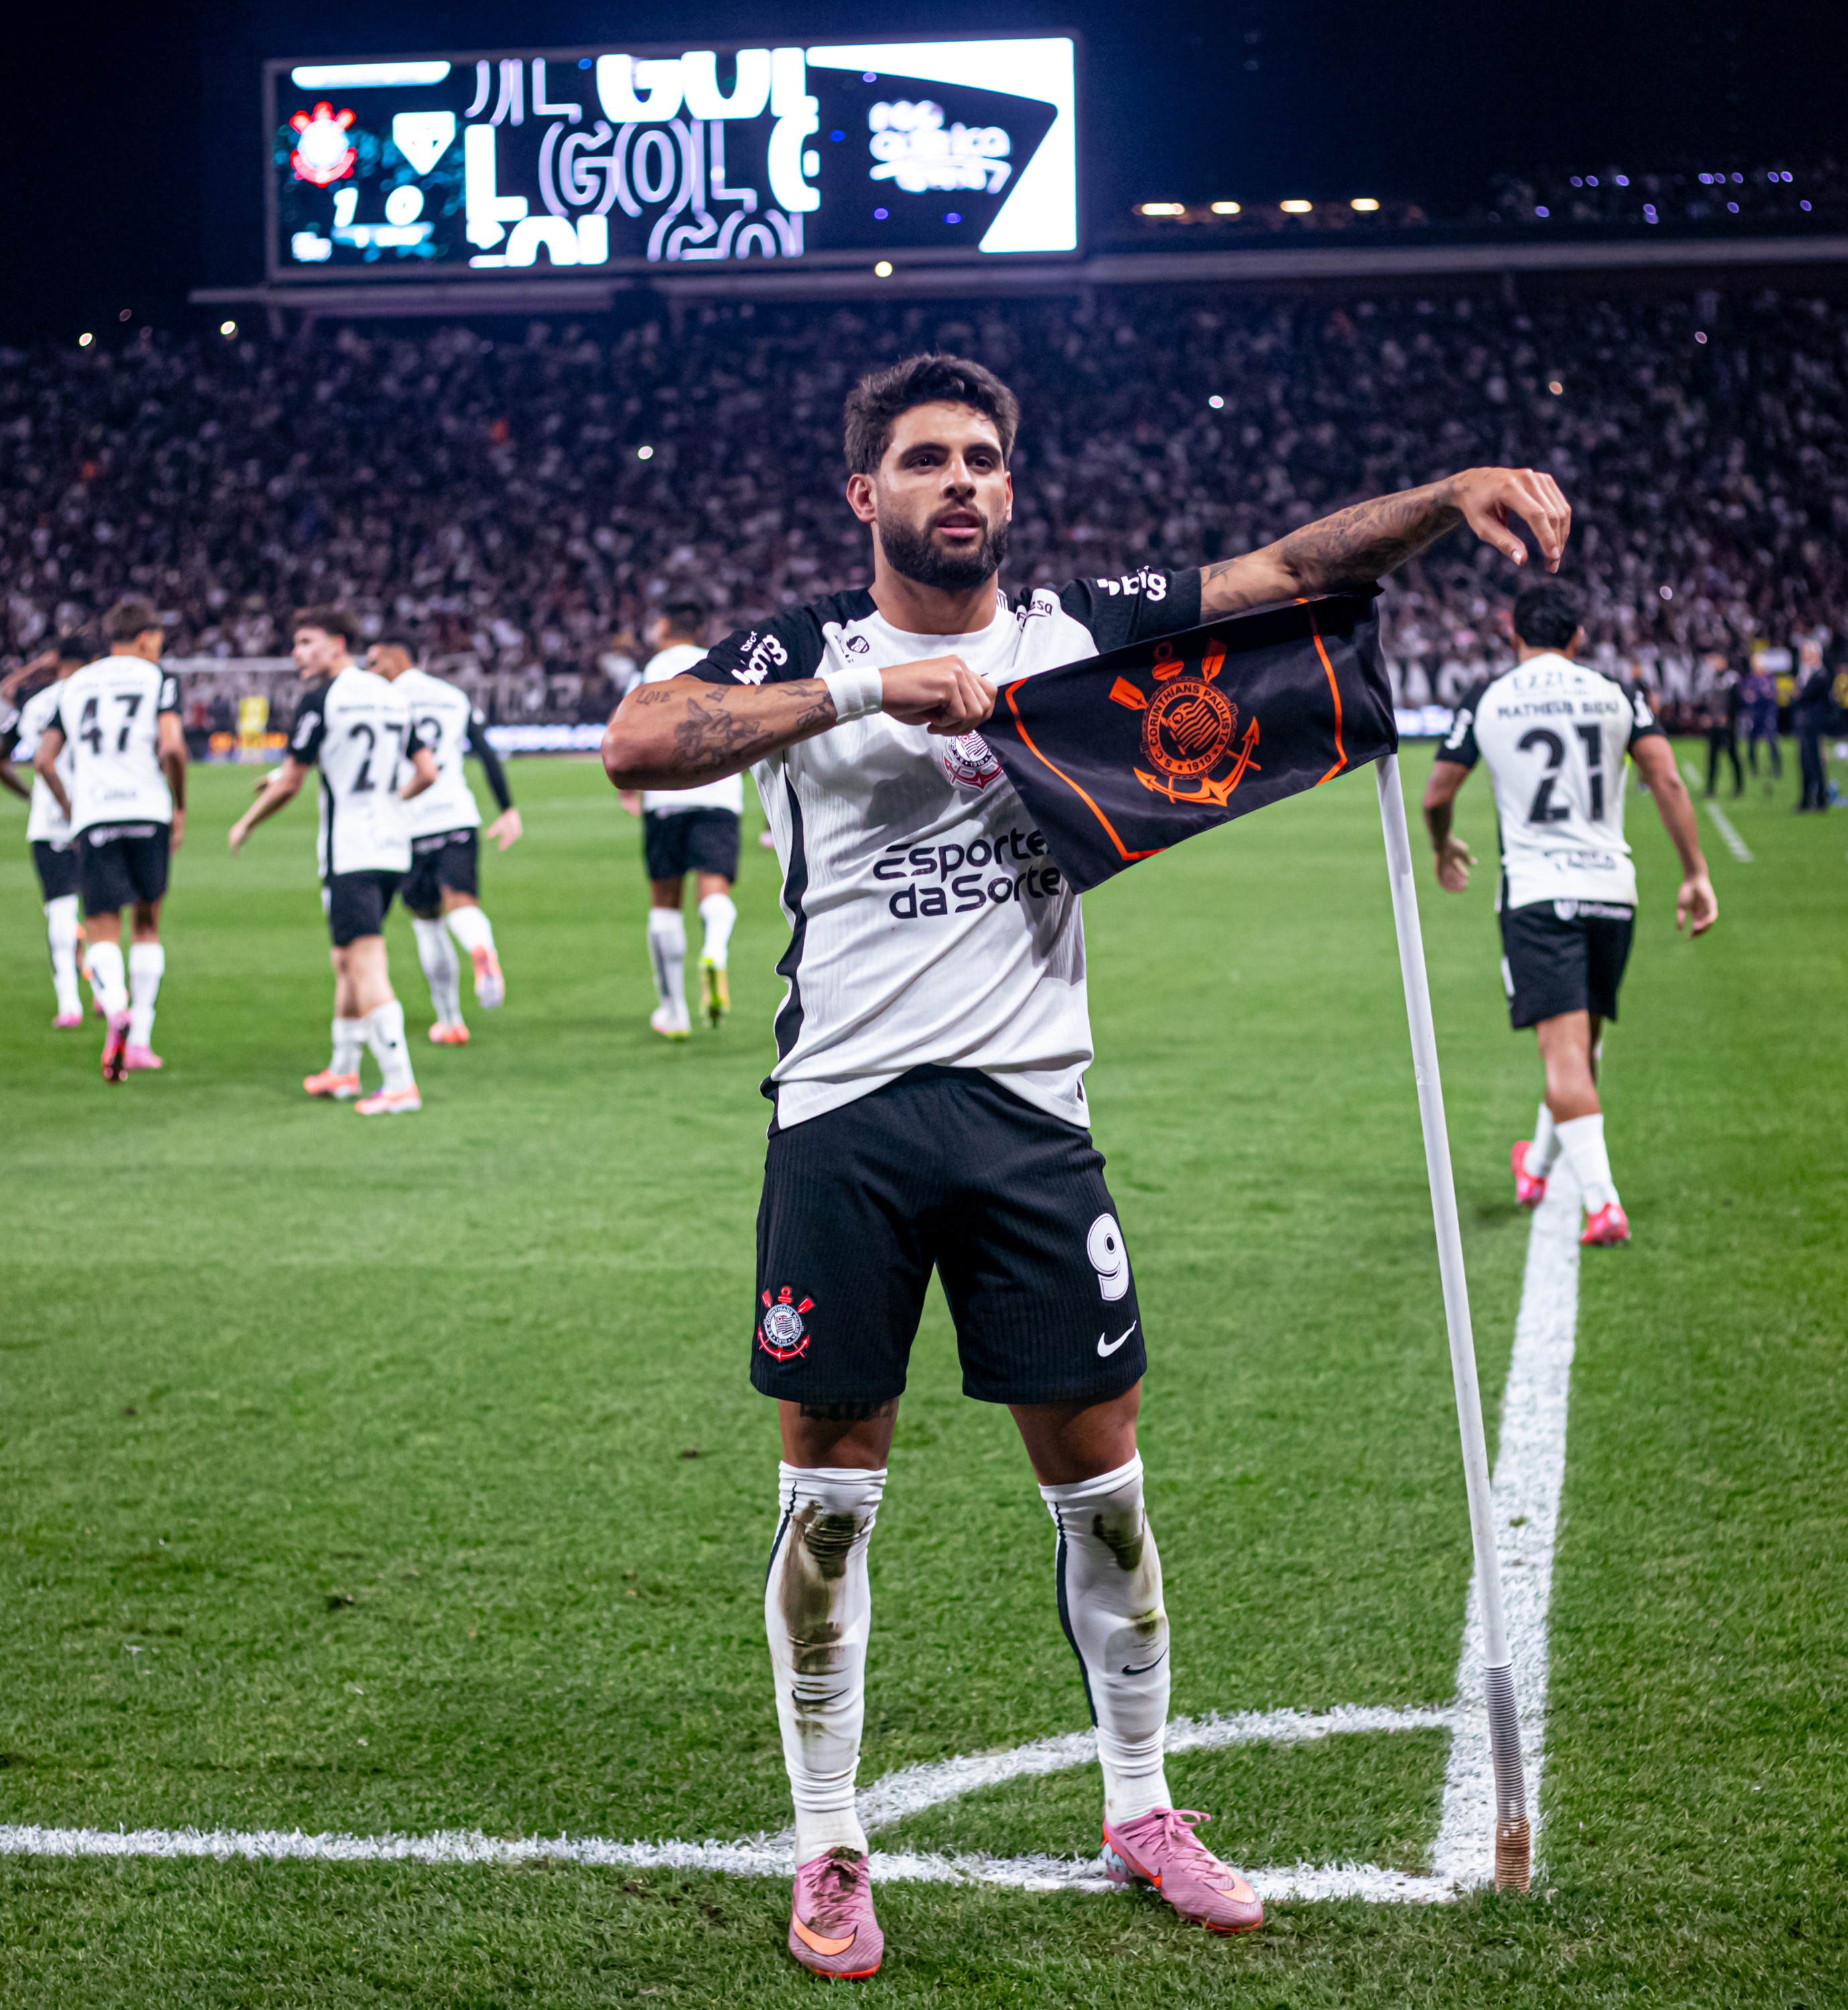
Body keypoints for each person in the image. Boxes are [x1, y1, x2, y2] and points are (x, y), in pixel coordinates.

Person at [602, 350, 1573, 1975]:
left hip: (1031, 1121)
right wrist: (864, 694)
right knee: (830, 1508)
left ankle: (1142, 1803)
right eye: (924, 459)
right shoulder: (806, 649)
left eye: (984, 455)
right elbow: (642, 740)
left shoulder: (1072, 637)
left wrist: (1443, 500)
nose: (961, 480)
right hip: (841, 1120)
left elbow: (1284, 576)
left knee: (1107, 1497)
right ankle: (829, 1840)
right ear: (867, 494)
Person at [1423, 578, 1719, 1246]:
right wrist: (1696, 873)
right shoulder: (1618, 692)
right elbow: (1666, 779)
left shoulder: (1489, 697)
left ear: (1511, 632)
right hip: (1612, 892)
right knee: (1583, 1049)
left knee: (1563, 1057)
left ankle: (1601, 1202)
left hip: (1537, 895)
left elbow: (1438, 790)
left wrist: (1443, 845)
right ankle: (1535, 1163)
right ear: (1579, 637)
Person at [226, 606, 436, 1115]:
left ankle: (399, 1082)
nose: (297, 653)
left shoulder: (321, 699)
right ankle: (343, 1070)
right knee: (345, 957)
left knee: (365, 962)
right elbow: (427, 771)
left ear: (337, 644)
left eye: (306, 642)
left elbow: (296, 780)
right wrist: (389, 801)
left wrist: (248, 820)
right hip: (392, 843)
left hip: (351, 850)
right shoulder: (391, 696)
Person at [30, 598, 186, 1081]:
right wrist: (179, 805)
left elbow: (43, 760)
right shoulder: (157, 678)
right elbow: (174, 747)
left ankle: (113, 1005)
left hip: (96, 815)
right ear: (145, 639)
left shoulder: (74, 685)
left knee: (100, 928)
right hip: (147, 810)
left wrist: (73, 809)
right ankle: (139, 1040)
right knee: (146, 923)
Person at [367, 636, 519, 1043]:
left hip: (407, 819)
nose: (370, 669)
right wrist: (507, 809)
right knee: (462, 906)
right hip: (456, 815)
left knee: (428, 924)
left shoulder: (381, 699)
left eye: (374, 661)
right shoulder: (453, 696)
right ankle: (481, 950)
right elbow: (486, 753)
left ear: (396, 656)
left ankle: (450, 1021)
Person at [621, 600, 740, 1036]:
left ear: (667, 626)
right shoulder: (720, 663)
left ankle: (674, 1011)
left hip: (666, 794)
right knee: (714, 885)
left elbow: (629, 729)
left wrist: (628, 786)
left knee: (665, 901)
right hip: (720, 791)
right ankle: (714, 949)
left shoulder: (651, 670)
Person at [0, 635, 96, 1026]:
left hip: (48, 821)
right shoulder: (94, 696)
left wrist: (31, 798)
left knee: (60, 910)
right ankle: (107, 992)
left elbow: (3, 758)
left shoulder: (37, 703)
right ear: (92, 660)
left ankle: (69, 1003)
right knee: (100, 910)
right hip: (94, 814)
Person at [1794, 645, 1834, 811]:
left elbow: (1802, 696)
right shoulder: (1811, 674)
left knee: (1814, 762)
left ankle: (1820, 798)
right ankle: (1807, 799)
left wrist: (1799, 687)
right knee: (1805, 762)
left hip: (1813, 725)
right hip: (1806, 724)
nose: (1804, 658)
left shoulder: (1820, 675)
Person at [1703, 660, 1743, 797]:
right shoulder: (1713, 679)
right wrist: (1707, 715)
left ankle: (1739, 788)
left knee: (1733, 756)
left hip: (1728, 727)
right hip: (1715, 726)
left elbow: (1738, 701)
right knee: (1712, 758)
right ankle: (1710, 789)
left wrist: (1729, 717)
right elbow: (1708, 701)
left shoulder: (1732, 680)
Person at [1741, 660, 1782, 789]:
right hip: (1754, 715)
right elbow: (1745, 695)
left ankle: (1777, 768)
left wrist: (1758, 695)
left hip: (1767, 714)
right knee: (1752, 744)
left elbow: (1770, 694)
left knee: (1772, 741)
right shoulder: (1750, 680)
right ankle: (1753, 769)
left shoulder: (1768, 679)